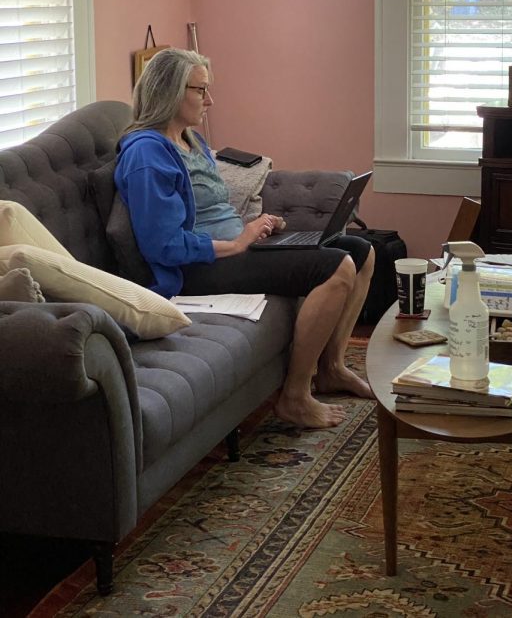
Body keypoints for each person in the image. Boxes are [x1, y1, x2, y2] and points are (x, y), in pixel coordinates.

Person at [114, 48, 375, 429]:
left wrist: (257, 225)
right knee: (337, 268)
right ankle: (296, 396)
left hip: (233, 248)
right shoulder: (147, 155)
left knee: (360, 250)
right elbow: (162, 245)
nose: (210, 100)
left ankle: (331, 367)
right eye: (200, 90)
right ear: (170, 91)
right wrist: (238, 243)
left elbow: (214, 210)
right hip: (197, 268)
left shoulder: (191, 139)